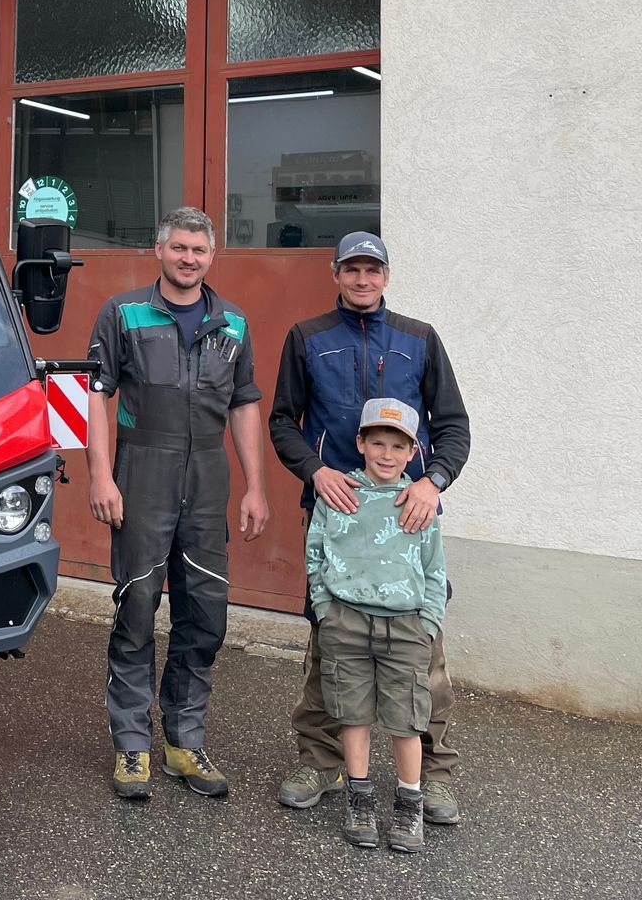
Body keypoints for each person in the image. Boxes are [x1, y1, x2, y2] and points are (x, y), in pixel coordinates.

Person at [268, 231, 471, 825]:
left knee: (423, 656)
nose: (362, 280)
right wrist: (315, 470)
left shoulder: (420, 339)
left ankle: (433, 775)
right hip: (340, 517)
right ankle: (320, 760)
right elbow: (283, 421)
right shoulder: (307, 338)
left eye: (372, 270)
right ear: (335, 273)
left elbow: (454, 426)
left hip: (407, 521)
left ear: (387, 276)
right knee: (329, 643)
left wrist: (432, 481)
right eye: (351, 269)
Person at [86, 207, 269, 800]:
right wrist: (100, 477)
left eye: (200, 251)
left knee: (206, 613)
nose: (190, 259)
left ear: (212, 257)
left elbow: (244, 405)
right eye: (180, 248)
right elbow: (99, 397)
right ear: (159, 249)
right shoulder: (122, 313)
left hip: (208, 475)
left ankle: (183, 741)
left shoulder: (233, 323)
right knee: (137, 605)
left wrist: (255, 486)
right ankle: (132, 746)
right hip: (142, 469)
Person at [306, 398, 447, 853]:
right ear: (361, 443)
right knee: (353, 714)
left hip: (405, 626)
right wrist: (325, 609)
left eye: (398, 447)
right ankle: (359, 799)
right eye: (378, 443)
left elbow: (433, 568)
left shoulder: (418, 500)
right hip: (345, 621)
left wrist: (427, 621)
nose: (387, 455)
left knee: (406, 719)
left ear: (412, 453)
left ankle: (410, 804)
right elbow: (316, 553)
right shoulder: (341, 494)